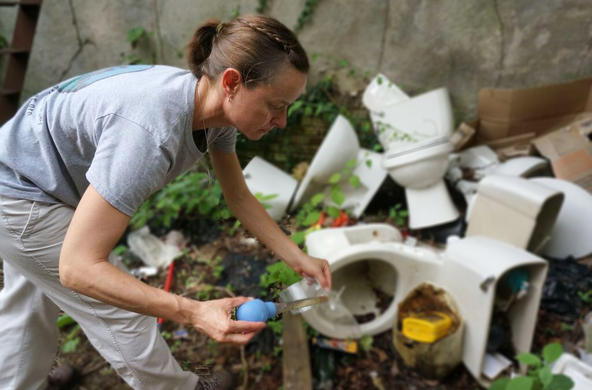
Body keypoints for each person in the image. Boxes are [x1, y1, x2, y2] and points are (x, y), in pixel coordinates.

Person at [0, 14, 331, 390]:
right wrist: (194, 312)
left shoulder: (214, 109)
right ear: (233, 82)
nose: (282, 121)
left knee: (27, 305)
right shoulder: (150, 133)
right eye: (276, 105)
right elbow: (78, 268)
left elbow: (238, 196)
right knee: (122, 311)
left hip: (25, 175)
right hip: (19, 194)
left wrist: (296, 256)